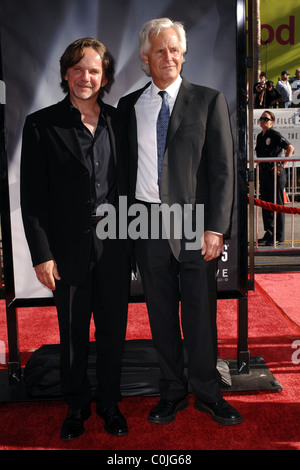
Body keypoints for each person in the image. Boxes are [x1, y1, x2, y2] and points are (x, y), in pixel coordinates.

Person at [118, 18, 242, 426]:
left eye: (174, 49)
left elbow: (223, 170)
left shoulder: (209, 100)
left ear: (183, 54)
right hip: (148, 223)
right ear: (144, 59)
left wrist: (216, 227)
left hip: (194, 223)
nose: (168, 57)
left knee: (200, 314)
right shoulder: (129, 106)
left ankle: (208, 393)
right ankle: (171, 391)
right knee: (161, 315)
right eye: (159, 50)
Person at [20, 38, 131, 440]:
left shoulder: (121, 121)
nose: (86, 77)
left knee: (113, 333)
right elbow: (31, 199)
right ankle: (76, 406)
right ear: (67, 72)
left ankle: (110, 404)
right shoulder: (41, 124)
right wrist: (42, 254)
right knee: (72, 335)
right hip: (66, 250)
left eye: (94, 71)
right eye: (78, 69)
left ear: (104, 79)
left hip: (116, 244)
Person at [256, 111, 294, 245]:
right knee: (265, 204)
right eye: (261, 118)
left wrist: (282, 165)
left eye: (266, 119)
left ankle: (279, 236)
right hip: (265, 174)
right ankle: (269, 232)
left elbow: (290, 148)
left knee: (277, 204)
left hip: (275, 174)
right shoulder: (260, 136)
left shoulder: (274, 134)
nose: (263, 121)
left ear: (272, 122)